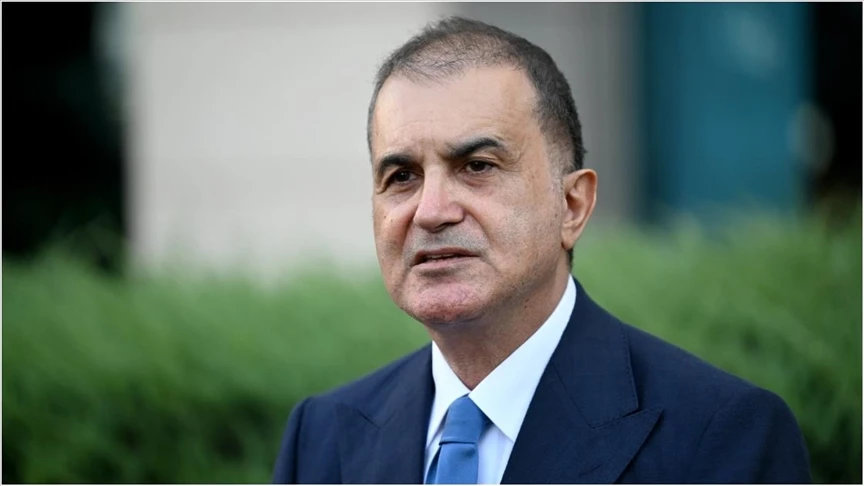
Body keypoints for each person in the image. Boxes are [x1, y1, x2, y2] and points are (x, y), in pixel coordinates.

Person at [272, 17, 811, 484]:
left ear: (572, 206)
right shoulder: (322, 438)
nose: (431, 210)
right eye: (402, 176)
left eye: (477, 166)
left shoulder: (721, 436)